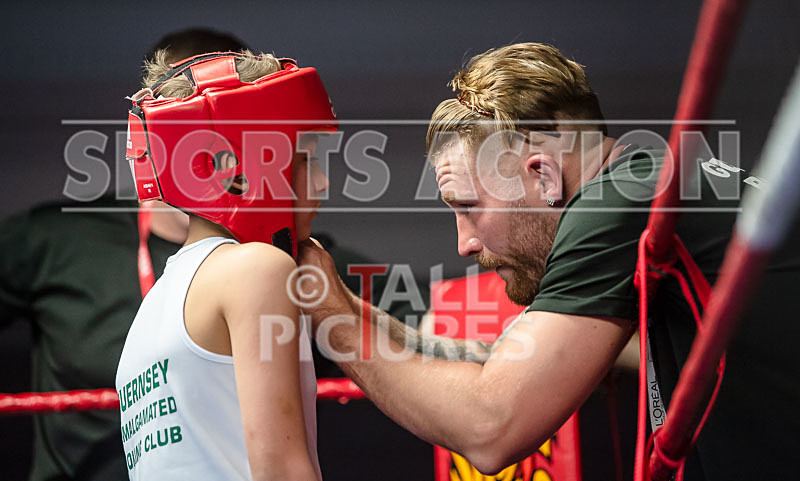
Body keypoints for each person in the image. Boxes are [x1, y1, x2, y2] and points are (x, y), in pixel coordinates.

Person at [296, 42, 800, 480]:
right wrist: (347, 307)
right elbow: (502, 364)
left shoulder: (616, 203)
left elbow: (491, 426)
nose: (463, 244)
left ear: (542, 176)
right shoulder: (647, 183)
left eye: (468, 208)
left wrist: (328, 316)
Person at [0, 28, 252, 481]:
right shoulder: (58, 238)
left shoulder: (278, 251)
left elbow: (402, 320)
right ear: (154, 134)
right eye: (191, 129)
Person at [116, 49, 336, 480]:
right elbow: (282, 470)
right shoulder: (257, 270)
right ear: (235, 173)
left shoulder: (153, 308)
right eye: (305, 157)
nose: (323, 181)